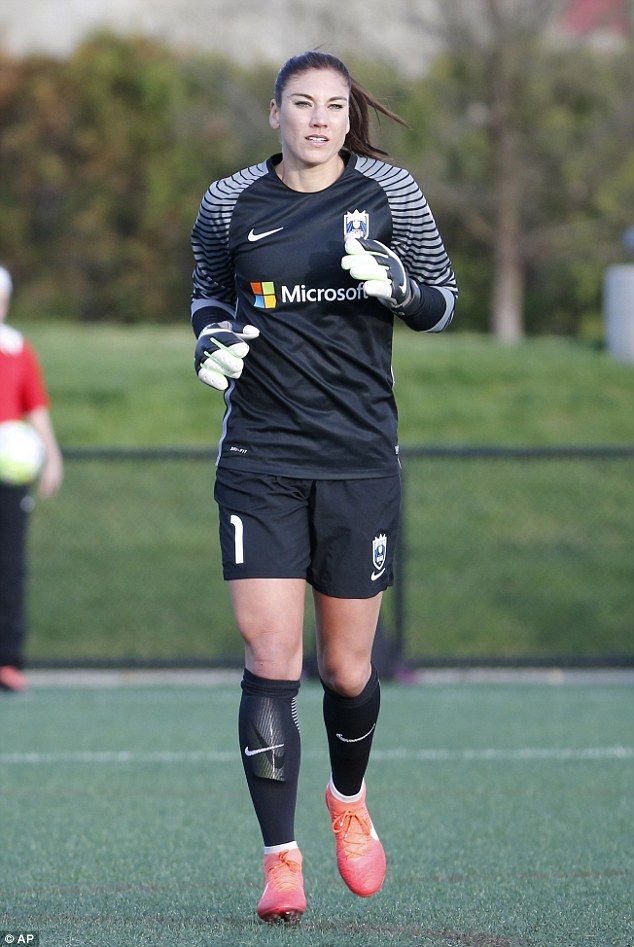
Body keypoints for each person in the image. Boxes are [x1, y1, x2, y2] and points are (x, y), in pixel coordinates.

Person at [190, 50, 457, 924]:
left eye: (333, 106)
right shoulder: (229, 202)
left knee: (347, 670)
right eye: (300, 104)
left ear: (349, 117)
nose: (317, 119)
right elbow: (205, 297)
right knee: (271, 659)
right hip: (260, 459)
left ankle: (349, 800)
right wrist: (211, 343)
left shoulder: (392, 192)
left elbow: (444, 301)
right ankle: (281, 861)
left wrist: (405, 290)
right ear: (273, 113)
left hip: (357, 460)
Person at [0, 266, 63, 692]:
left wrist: (52, 456)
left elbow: (35, 405)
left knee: (9, 566)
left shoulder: (17, 348)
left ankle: (7, 660)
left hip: (9, 477)